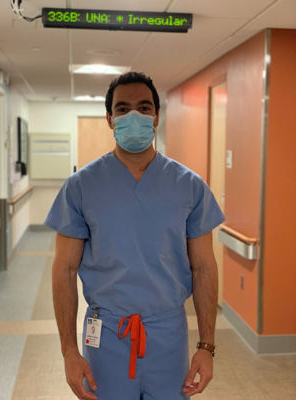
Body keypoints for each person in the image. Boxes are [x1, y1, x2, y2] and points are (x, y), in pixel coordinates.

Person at [45, 71, 225, 400]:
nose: (134, 116)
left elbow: (204, 268)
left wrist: (207, 347)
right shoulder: (81, 187)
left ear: (157, 116)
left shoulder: (189, 186)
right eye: (123, 109)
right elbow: (65, 270)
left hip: (168, 334)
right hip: (106, 333)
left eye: (144, 108)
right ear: (110, 119)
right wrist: (69, 351)